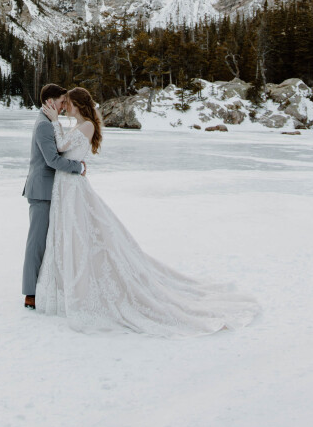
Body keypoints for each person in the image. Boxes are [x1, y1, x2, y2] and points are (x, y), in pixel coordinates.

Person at [34, 86, 260, 336]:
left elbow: (61, 147)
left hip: (73, 188)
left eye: (67, 102)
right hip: (65, 187)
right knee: (69, 233)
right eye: (63, 102)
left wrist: (55, 122)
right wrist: (58, 125)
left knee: (82, 233)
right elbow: (63, 148)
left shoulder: (86, 125)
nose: (64, 107)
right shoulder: (78, 125)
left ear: (77, 104)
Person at [21, 83, 86, 310]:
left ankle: (42, 288)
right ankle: (30, 293)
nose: (63, 106)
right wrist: (78, 167)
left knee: (46, 243)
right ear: (50, 101)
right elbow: (52, 160)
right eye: (61, 102)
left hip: (48, 190)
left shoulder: (47, 122)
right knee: (36, 243)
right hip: (41, 191)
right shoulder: (43, 125)